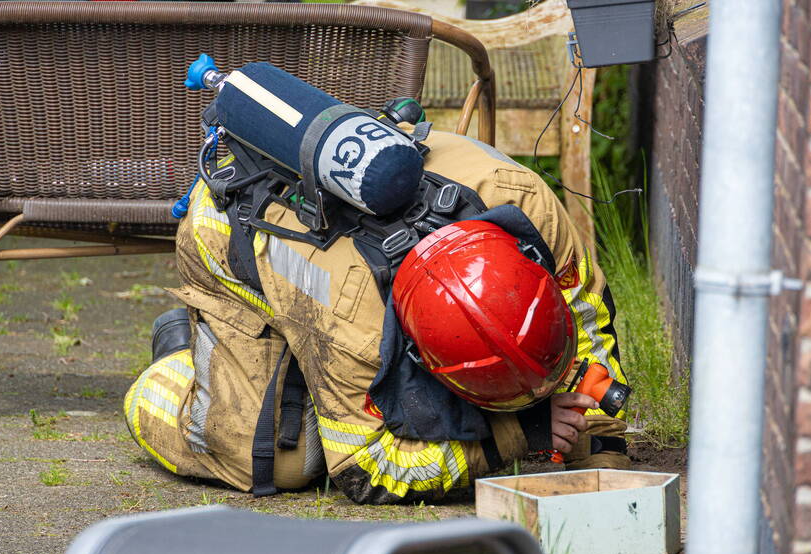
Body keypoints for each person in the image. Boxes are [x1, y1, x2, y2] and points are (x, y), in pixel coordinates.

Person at [124, 129, 628, 505]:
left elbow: (585, 316)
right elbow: (367, 467)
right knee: (286, 460)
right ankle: (178, 361)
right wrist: (519, 436)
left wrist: (601, 440)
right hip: (229, 235)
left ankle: (299, 371)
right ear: (417, 351)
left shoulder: (524, 204)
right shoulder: (354, 321)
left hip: (332, 258)